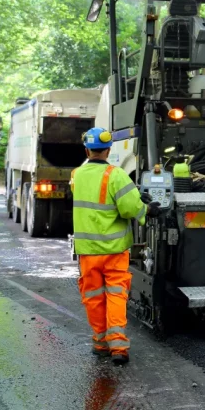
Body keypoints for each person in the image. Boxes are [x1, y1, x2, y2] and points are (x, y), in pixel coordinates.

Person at [71, 127, 160, 364]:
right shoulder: (116, 175)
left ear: (87, 150)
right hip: (114, 251)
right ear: (108, 150)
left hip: (88, 252)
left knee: (93, 296)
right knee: (116, 295)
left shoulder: (76, 175)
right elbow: (130, 207)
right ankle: (118, 347)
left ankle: (100, 342)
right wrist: (148, 209)